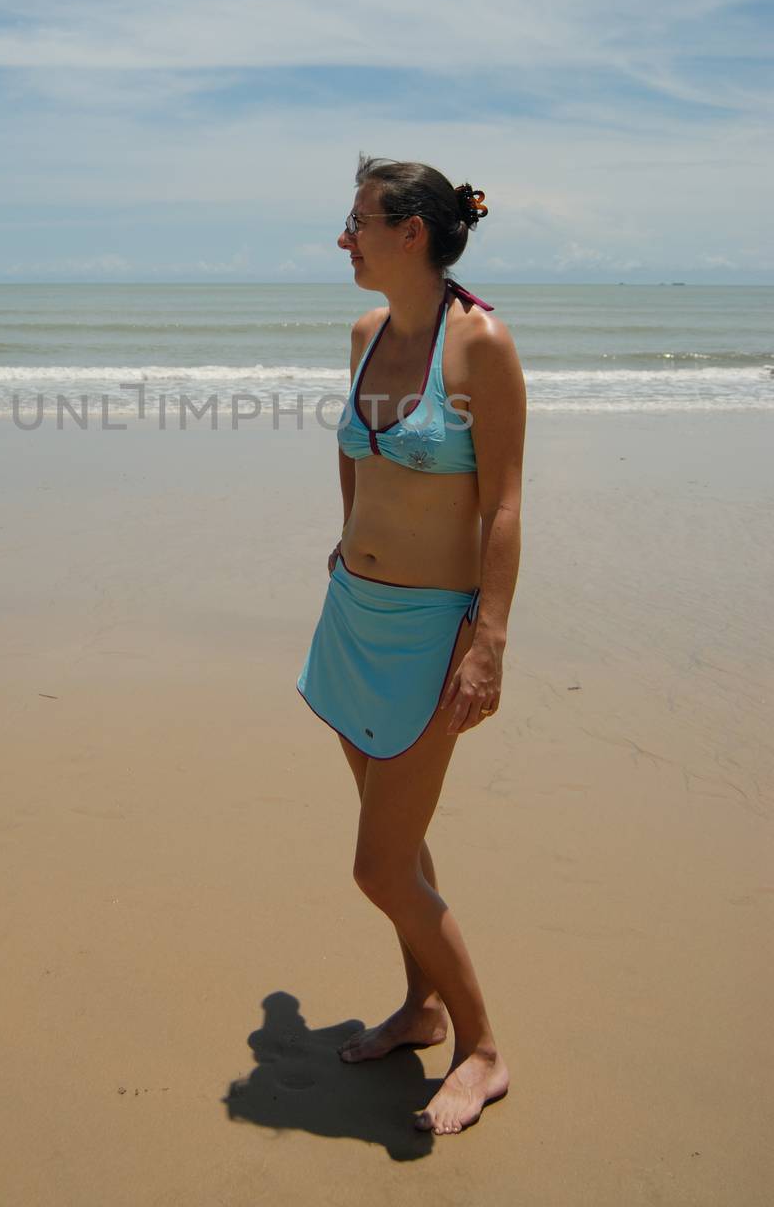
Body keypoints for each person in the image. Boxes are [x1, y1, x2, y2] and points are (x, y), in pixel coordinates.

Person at [296, 154, 526, 1136]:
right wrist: (348, 548)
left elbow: (504, 506)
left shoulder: (480, 347)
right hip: (353, 615)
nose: (342, 237)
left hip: (435, 633)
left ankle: (482, 1048)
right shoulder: (364, 332)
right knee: (404, 839)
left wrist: (490, 641)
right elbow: (352, 456)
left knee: (378, 867)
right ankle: (421, 1006)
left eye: (357, 222)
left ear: (410, 234)